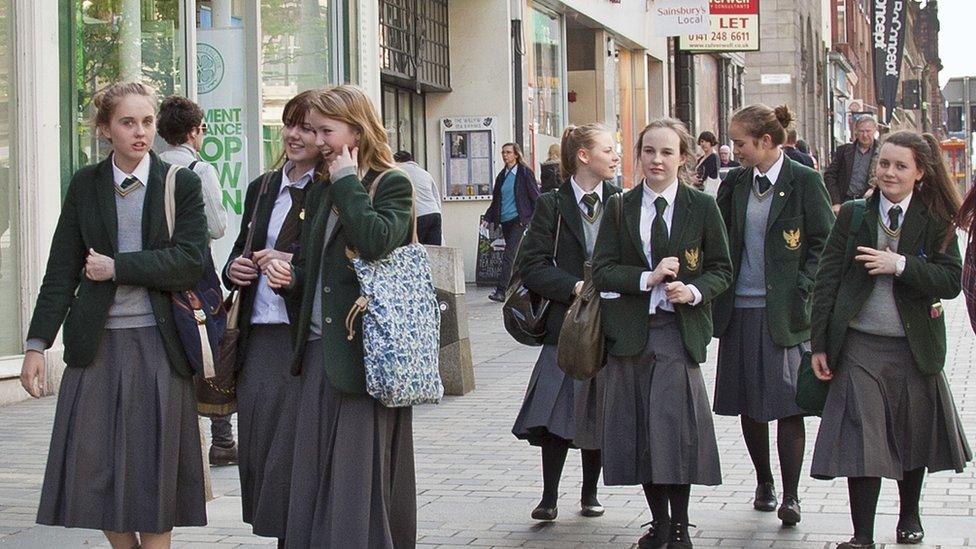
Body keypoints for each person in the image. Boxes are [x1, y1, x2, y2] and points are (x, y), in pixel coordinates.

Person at [20, 82, 208, 548]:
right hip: (96, 347)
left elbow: (191, 261)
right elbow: (62, 268)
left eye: (147, 122)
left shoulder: (179, 182)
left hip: (158, 345)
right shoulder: (86, 184)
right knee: (98, 468)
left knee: (154, 469)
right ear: (105, 129)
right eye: (128, 122)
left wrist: (118, 267)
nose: (140, 132)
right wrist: (36, 345)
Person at [263, 84, 417, 548]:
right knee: (312, 472)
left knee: (356, 476)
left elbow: (375, 241)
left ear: (357, 129)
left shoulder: (390, 182)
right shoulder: (324, 186)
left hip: (368, 357)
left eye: (326, 130)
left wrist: (349, 181)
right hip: (316, 354)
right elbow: (314, 267)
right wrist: (288, 276)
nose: (318, 140)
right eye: (314, 130)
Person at [810, 130, 972, 548]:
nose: (889, 172)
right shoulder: (854, 215)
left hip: (912, 346)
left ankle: (909, 516)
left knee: (911, 434)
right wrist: (820, 344)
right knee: (861, 437)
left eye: (900, 166)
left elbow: (951, 280)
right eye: (883, 163)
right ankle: (862, 535)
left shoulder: (934, 218)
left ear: (919, 172)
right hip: (860, 345)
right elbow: (826, 278)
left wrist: (899, 264)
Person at [593, 118, 733, 548]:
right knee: (642, 433)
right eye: (649, 151)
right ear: (639, 155)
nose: (657, 160)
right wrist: (645, 278)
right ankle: (658, 523)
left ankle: (679, 525)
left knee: (675, 431)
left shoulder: (702, 207)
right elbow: (601, 271)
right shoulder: (620, 207)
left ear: (683, 159)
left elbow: (722, 270)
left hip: (677, 332)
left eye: (667, 152)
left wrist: (692, 291)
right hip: (632, 336)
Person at [712, 104, 834, 527]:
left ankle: (792, 493)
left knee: (788, 403)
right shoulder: (736, 182)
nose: (734, 150)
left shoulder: (804, 181)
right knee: (749, 402)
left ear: (766, 142)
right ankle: (764, 481)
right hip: (740, 309)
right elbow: (717, 235)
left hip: (784, 313)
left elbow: (824, 243)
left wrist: (804, 287)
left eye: (740, 143)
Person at [221, 90, 321, 546]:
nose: (297, 136)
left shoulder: (329, 187)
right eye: (291, 125)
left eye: (309, 128)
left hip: (300, 335)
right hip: (256, 336)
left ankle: (295, 536)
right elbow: (240, 247)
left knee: (293, 450)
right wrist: (234, 269)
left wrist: (291, 270)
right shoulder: (262, 186)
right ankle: (282, 530)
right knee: (260, 446)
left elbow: (330, 263)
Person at [512, 124, 621, 522]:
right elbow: (531, 265)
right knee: (556, 413)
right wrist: (574, 285)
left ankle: (590, 493)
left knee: (597, 411)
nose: (616, 156)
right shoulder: (551, 205)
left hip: (609, 323)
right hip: (566, 323)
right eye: (608, 149)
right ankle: (549, 495)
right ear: (583, 156)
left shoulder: (622, 201)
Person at [155, 94, 236, 466]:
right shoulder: (199, 170)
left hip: (158, 268)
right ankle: (221, 439)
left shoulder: (151, 168)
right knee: (210, 342)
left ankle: (174, 435)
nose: (202, 135)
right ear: (192, 131)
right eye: (202, 129)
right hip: (195, 265)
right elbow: (216, 226)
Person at [484, 142, 540, 302]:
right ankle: (525, 287)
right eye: (503, 152)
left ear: (516, 154)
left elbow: (535, 196)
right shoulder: (502, 176)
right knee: (518, 256)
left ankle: (501, 290)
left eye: (508, 152)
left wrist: (534, 219)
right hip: (505, 220)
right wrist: (488, 218)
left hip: (520, 220)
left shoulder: (524, 173)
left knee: (509, 255)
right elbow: (496, 200)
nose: (505, 155)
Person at [824, 114, 880, 213]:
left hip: (869, 204)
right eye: (861, 131)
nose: (865, 135)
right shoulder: (844, 151)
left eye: (868, 131)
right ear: (856, 132)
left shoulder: (882, 153)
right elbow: (829, 175)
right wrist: (836, 202)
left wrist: (874, 189)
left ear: (875, 131)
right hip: (845, 203)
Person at [394, 150, 442, 245]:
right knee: (434, 251)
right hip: (435, 213)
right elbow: (436, 197)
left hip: (418, 215)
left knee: (415, 250)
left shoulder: (398, 172)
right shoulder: (425, 173)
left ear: (396, 161)